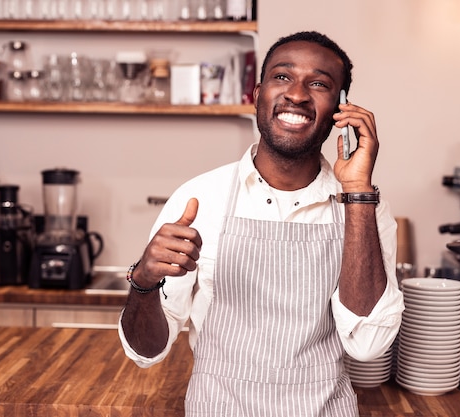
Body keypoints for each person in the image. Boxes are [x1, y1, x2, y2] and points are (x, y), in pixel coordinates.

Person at [118, 30, 404, 417]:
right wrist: (144, 284)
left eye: (318, 83)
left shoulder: (363, 207)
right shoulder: (201, 198)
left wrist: (356, 190)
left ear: (341, 109)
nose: (297, 94)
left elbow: (368, 345)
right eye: (282, 76)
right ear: (257, 95)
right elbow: (146, 352)